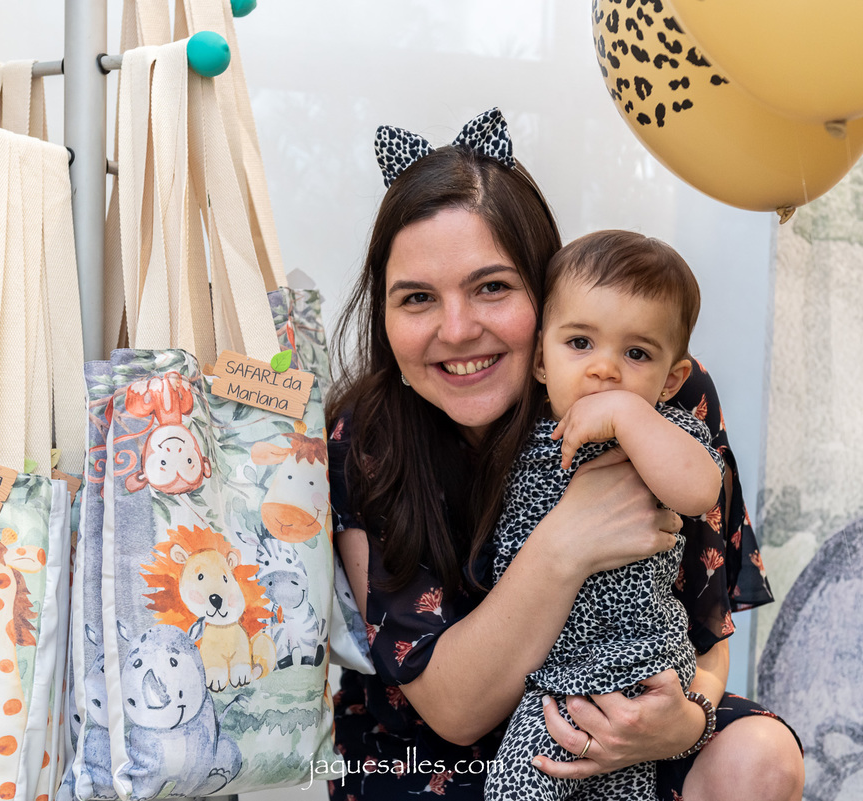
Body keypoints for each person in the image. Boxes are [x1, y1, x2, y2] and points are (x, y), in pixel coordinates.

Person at [326, 108, 803, 801]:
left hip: (616, 716)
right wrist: (568, 538)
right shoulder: (366, 437)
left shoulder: (655, 394)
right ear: (385, 317)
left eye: (492, 287)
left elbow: (708, 628)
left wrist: (680, 721)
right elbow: (456, 711)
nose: (457, 330)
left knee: (760, 758)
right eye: (418, 298)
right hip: (429, 754)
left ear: (545, 297)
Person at [485, 230, 725, 801]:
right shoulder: (519, 436)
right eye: (580, 344)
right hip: (549, 670)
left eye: (636, 354)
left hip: (634, 663)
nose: (604, 370)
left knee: (519, 786)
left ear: (671, 379)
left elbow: (699, 491)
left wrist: (627, 416)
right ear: (541, 356)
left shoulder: (664, 432)